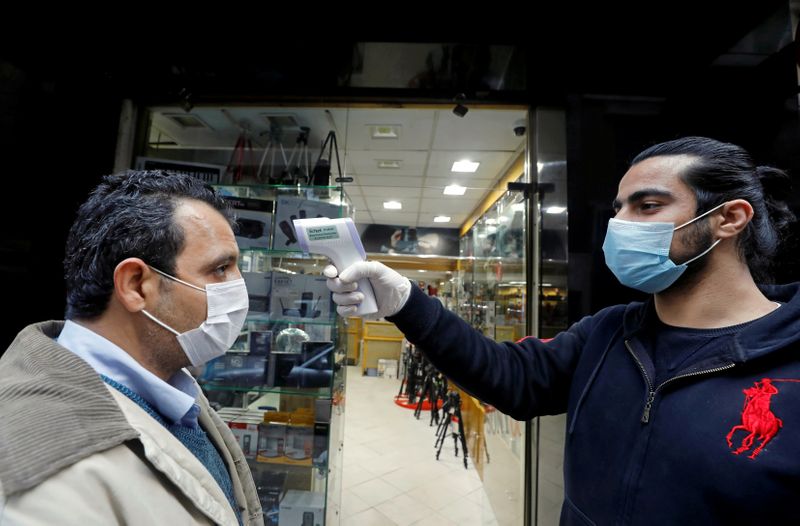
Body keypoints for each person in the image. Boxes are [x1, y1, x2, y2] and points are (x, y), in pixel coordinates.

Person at [325, 137, 800, 524]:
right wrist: (405, 302)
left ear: (729, 219)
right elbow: (509, 376)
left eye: (647, 206)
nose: (619, 226)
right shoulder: (609, 333)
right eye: (618, 210)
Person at [0, 171, 263, 525]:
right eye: (219, 269)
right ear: (137, 285)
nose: (238, 288)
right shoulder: (49, 471)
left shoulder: (169, 384)